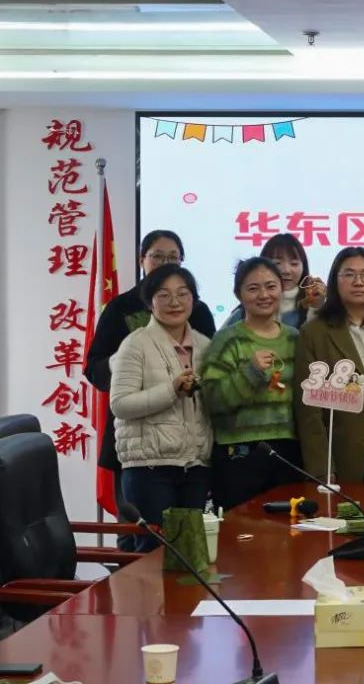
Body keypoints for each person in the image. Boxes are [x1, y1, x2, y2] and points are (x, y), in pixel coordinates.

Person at [84, 229, 215, 549]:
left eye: (173, 257)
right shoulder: (122, 312)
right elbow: (99, 374)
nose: (174, 302)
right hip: (144, 453)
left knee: (188, 552)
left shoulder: (200, 321)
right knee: (143, 548)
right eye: (157, 256)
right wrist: (134, 366)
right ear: (142, 260)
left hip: (192, 457)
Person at [109, 265, 212, 552]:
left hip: (195, 466)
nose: (174, 302)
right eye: (163, 295)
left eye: (183, 293)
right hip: (149, 469)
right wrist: (171, 390)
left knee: (190, 554)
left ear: (194, 299)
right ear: (149, 302)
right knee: (153, 554)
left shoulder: (205, 346)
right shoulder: (135, 344)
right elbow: (120, 404)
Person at [200, 258, 301, 510]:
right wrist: (250, 373)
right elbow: (211, 400)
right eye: (253, 288)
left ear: (282, 289)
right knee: (241, 529)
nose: (264, 295)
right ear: (238, 294)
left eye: (271, 286)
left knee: (289, 528)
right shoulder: (227, 340)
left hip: (289, 451)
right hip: (239, 454)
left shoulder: (295, 338)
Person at [295, 247, 364, 483]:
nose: (358, 282)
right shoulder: (314, 332)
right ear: (335, 280)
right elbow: (308, 412)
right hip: (340, 449)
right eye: (349, 274)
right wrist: (321, 467)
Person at [224, 233, 325, 328]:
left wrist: (316, 308)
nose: (286, 271)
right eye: (277, 263)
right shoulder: (243, 313)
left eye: (294, 263)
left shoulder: (313, 306)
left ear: (303, 266)